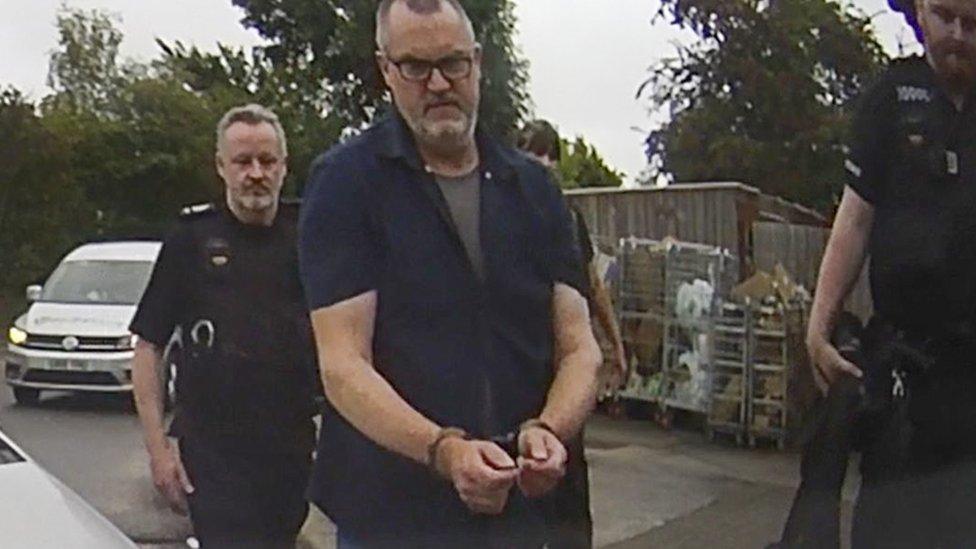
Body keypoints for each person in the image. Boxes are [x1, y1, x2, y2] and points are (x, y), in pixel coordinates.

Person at [297, 0, 603, 547]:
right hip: (394, 516)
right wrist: (444, 450)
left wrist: (550, 429)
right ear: (386, 71)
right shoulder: (346, 185)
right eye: (415, 66)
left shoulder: (535, 190)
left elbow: (579, 346)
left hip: (527, 515)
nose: (438, 83)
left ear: (479, 63)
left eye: (453, 63)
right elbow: (343, 365)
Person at [775, 0, 976, 546]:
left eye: (973, 23)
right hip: (906, 373)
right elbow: (855, 221)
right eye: (945, 17)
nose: (957, 35)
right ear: (918, 13)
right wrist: (819, 326)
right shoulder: (891, 100)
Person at [130, 104, 319, 548]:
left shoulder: (309, 235)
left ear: (284, 166)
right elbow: (148, 346)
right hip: (213, 451)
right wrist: (158, 451)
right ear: (221, 166)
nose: (256, 173)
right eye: (243, 162)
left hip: (289, 446)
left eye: (267, 161)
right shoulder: (191, 239)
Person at [516, 119, 627, 549]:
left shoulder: (567, 218)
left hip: (563, 368)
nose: (540, 168)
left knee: (568, 478)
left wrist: (613, 342)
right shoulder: (498, 216)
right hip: (519, 365)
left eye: (546, 159)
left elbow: (591, 285)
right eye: (531, 157)